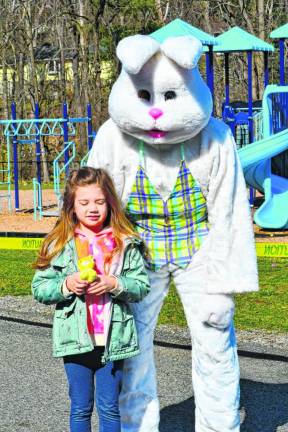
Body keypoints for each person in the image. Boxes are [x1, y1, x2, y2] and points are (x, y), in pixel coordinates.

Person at [32, 166, 150, 432]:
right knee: (80, 408)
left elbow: (141, 286)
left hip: (113, 339)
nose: (92, 208)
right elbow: (40, 287)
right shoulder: (59, 243)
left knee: (109, 408)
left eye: (99, 202)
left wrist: (115, 283)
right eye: (84, 202)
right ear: (72, 207)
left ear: (110, 203)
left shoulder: (124, 243)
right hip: (75, 340)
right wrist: (66, 284)